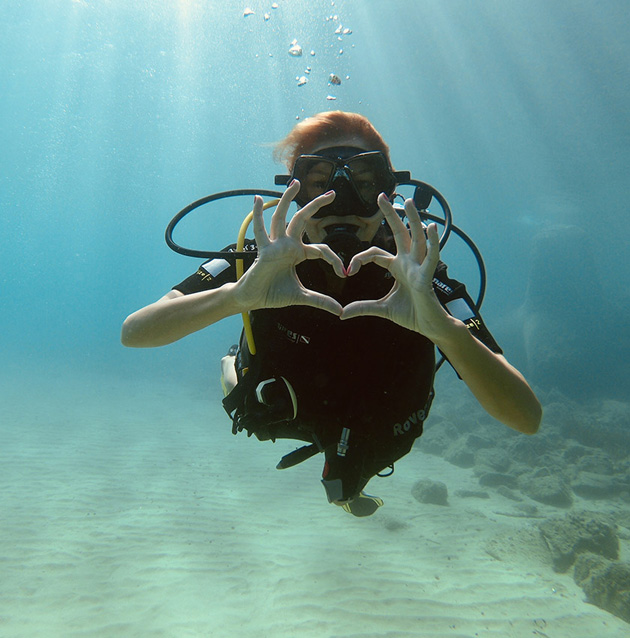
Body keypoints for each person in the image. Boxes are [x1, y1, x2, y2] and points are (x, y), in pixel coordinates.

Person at [121, 111, 542, 517]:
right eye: (319, 184)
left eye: (363, 182)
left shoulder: (421, 278)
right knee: (240, 396)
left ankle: (343, 483)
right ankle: (228, 363)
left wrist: (446, 332)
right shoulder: (260, 261)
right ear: (291, 193)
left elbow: (526, 418)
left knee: (346, 484)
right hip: (278, 408)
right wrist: (236, 296)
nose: (342, 205)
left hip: (380, 425)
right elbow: (135, 332)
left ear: (390, 193)